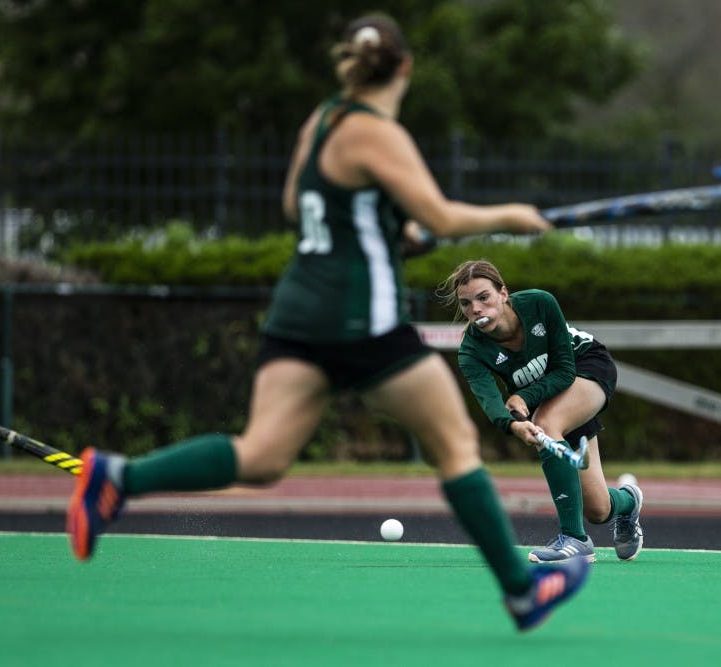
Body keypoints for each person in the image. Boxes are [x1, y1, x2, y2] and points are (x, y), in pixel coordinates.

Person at [66, 13, 590, 631]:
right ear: (404, 68)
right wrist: (517, 215)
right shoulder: (378, 132)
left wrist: (388, 226)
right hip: (357, 317)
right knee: (455, 444)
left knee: (261, 454)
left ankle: (116, 478)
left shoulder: (321, 121)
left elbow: (300, 205)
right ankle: (522, 590)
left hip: (297, 312)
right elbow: (443, 217)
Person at [438, 259, 643, 563]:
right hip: (548, 400)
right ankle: (629, 502)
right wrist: (512, 425)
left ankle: (575, 540)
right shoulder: (471, 350)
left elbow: (563, 370)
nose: (476, 309)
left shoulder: (539, 303)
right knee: (598, 510)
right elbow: (491, 402)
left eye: (484, 298)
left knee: (546, 423)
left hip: (586, 366)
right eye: (467, 304)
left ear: (503, 293)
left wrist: (523, 396)